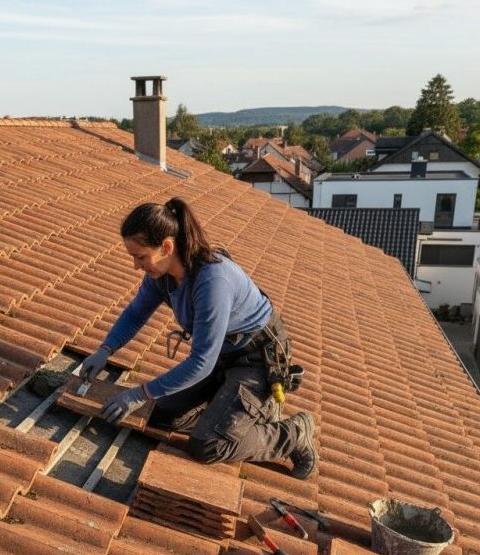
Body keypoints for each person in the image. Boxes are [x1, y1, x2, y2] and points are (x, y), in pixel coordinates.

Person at [79, 197, 317, 478]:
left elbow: (201, 362)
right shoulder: (162, 277)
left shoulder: (212, 281)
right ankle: (225, 413)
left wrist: (139, 393)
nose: (136, 265)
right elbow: (134, 314)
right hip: (221, 358)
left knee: (209, 444)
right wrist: (105, 349)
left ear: (167, 247)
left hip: (255, 361)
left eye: (140, 257)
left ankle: (294, 433)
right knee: (159, 413)